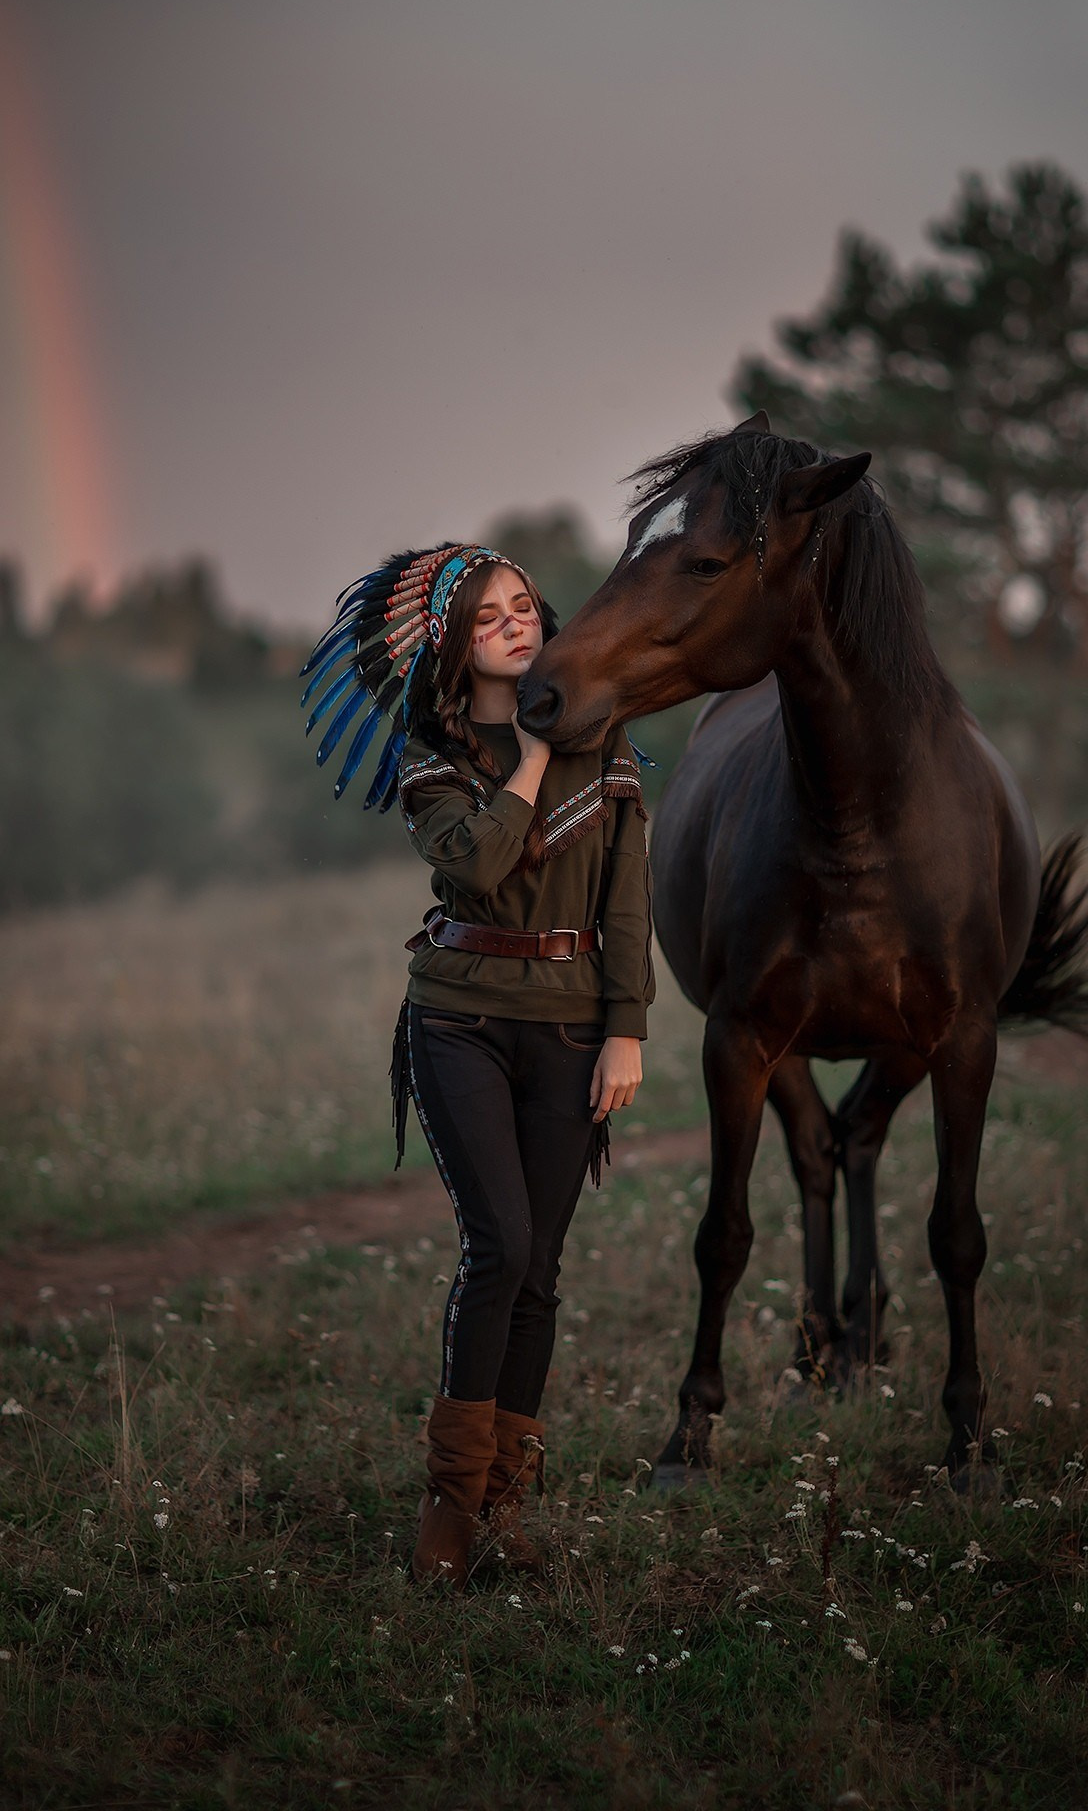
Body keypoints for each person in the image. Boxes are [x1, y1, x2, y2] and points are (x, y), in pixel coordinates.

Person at [341, 542, 655, 1588]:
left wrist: (627, 1027)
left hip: (571, 1029)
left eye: (525, 606)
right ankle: (446, 1500)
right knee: (500, 1248)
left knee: (542, 1273)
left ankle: (502, 1502)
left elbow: (621, 898)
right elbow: (477, 863)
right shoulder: (428, 761)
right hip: (461, 1021)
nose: (519, 625)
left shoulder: (604, 740)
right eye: (491, 617)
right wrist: (525, 754)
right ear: (453, 644)